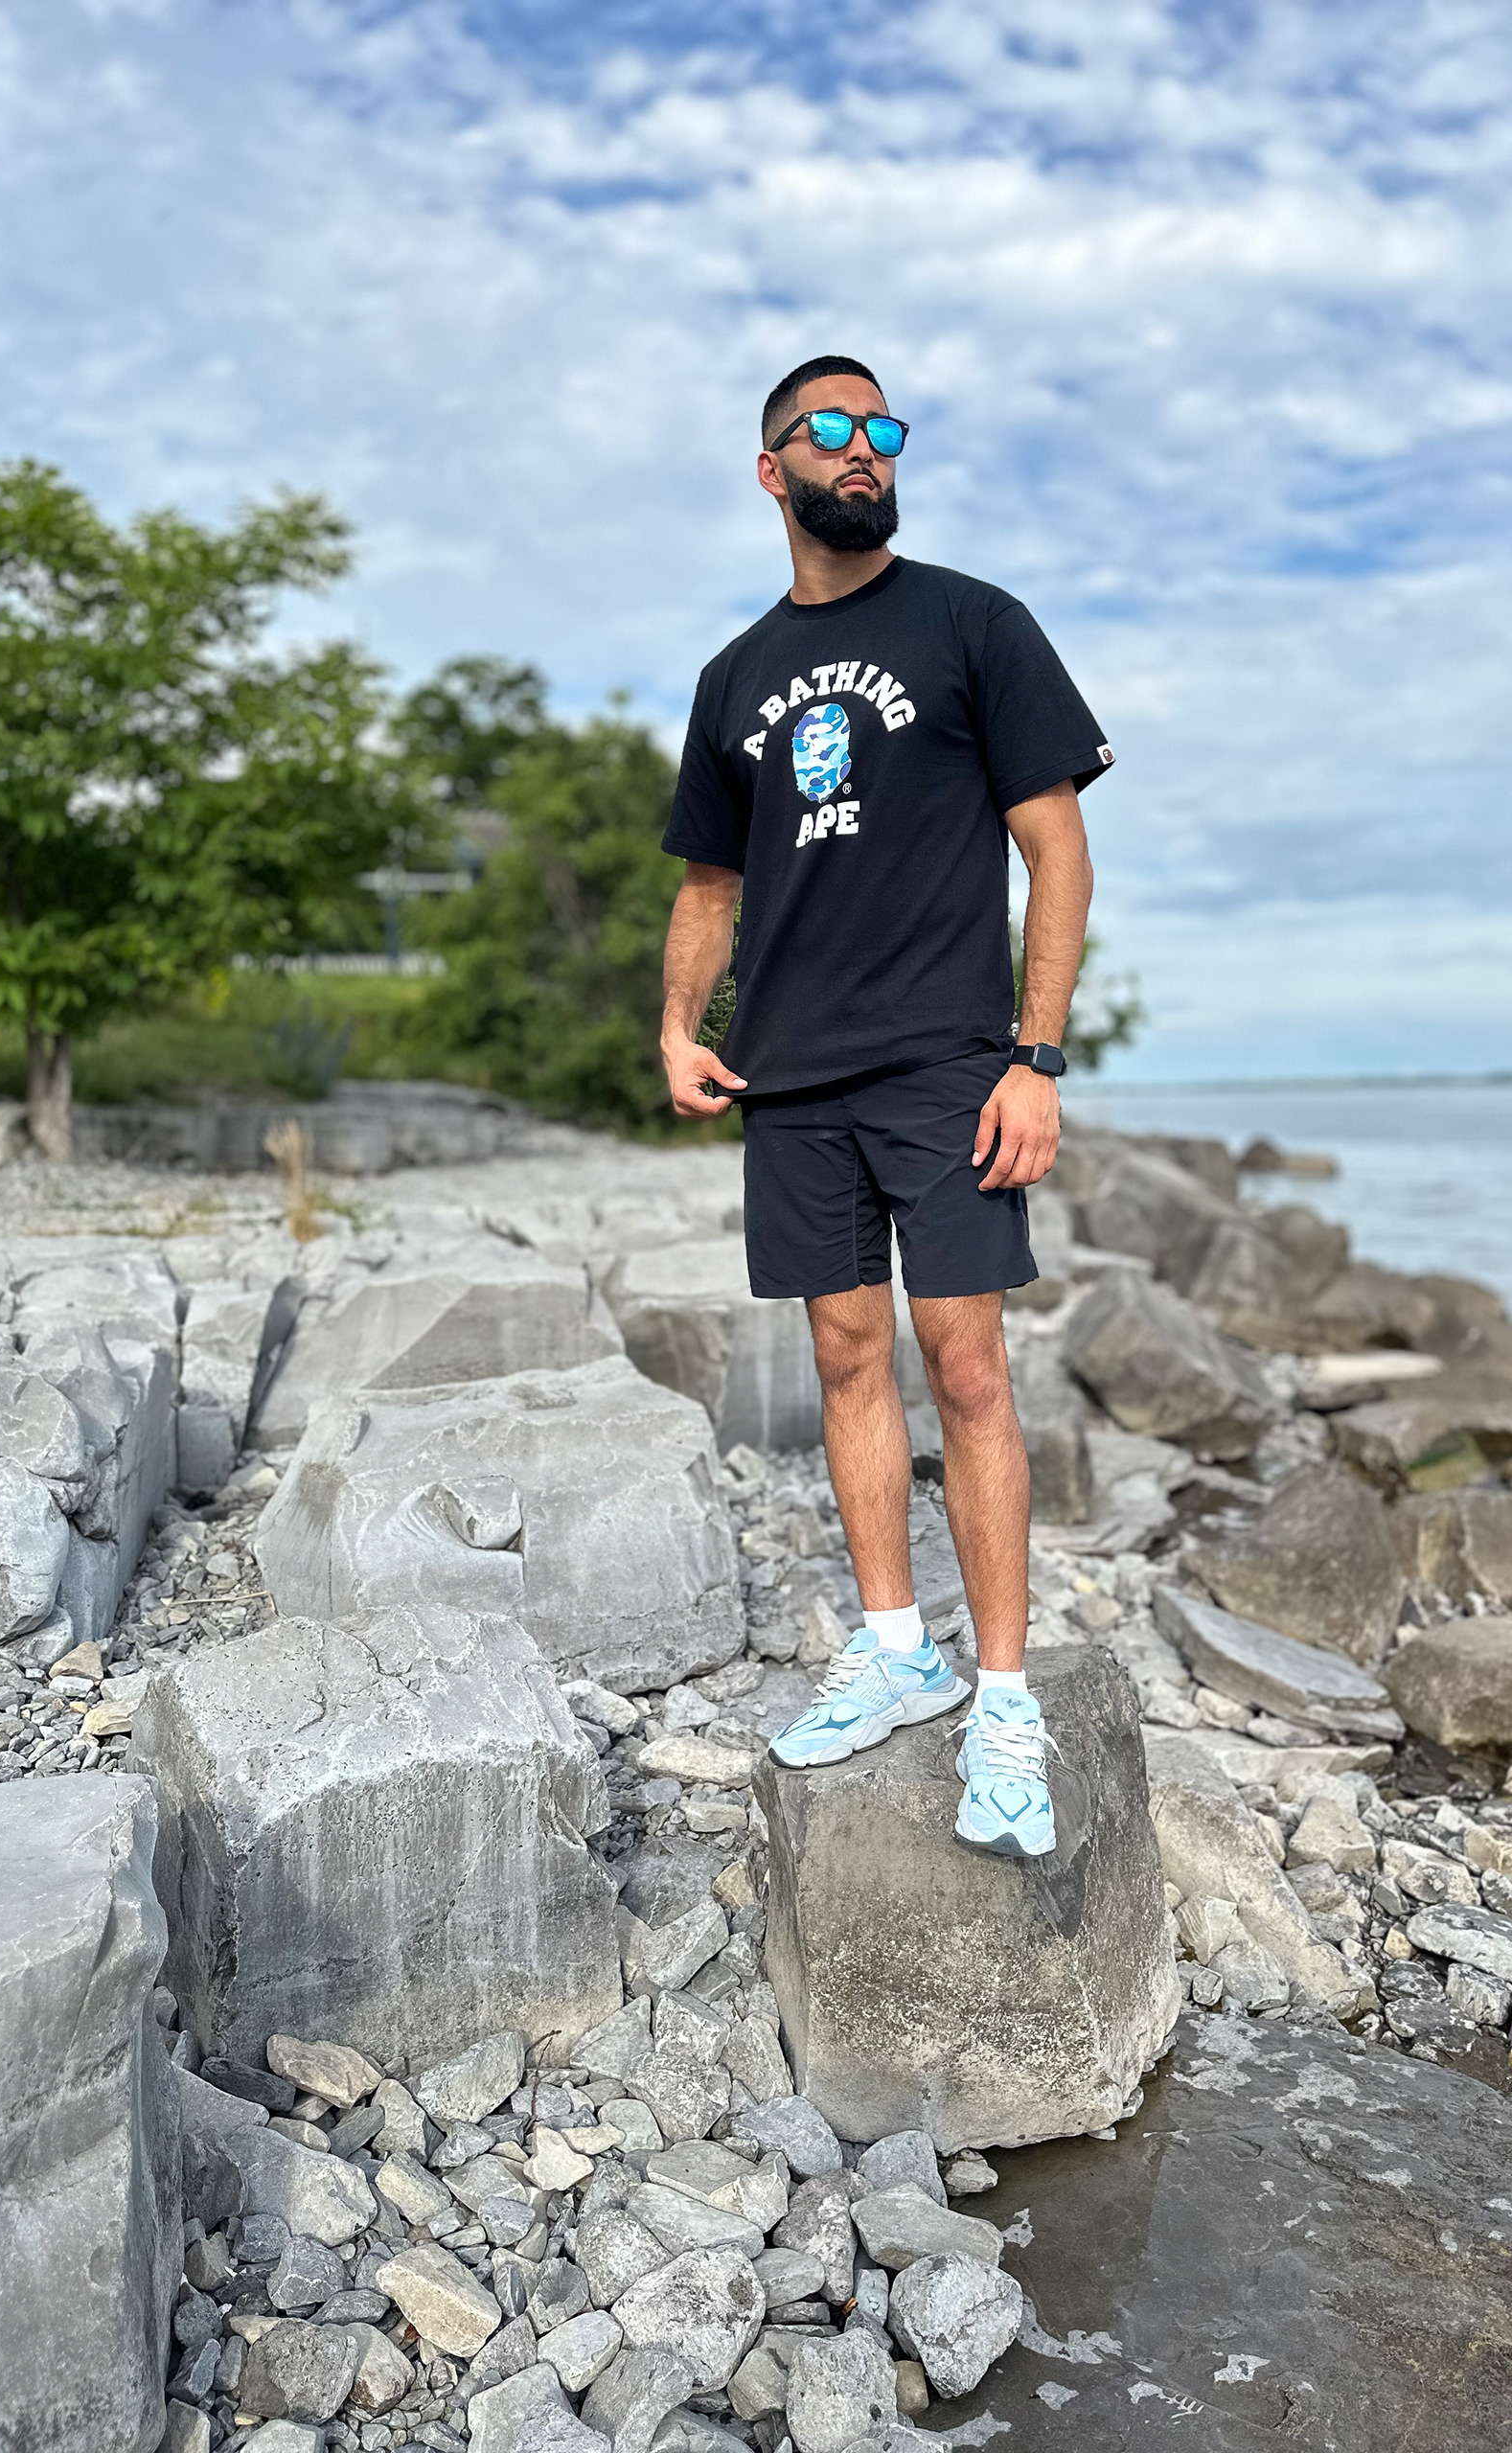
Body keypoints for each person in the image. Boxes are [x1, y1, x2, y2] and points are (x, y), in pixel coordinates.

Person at [657, 355, 1111, 1858]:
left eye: (882, 429)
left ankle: (1000, 1703)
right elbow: (711, 884)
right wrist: (679, 1026)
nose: (865, 450)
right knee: (847, 1356)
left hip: (944, 1062)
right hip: (792, 1077)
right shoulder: (733, 679)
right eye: (831, 431)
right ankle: (895, 1649)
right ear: (772, 466)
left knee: (964, 1365)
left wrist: (1033, 1062)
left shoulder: (976, 622)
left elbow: (1058, 854)